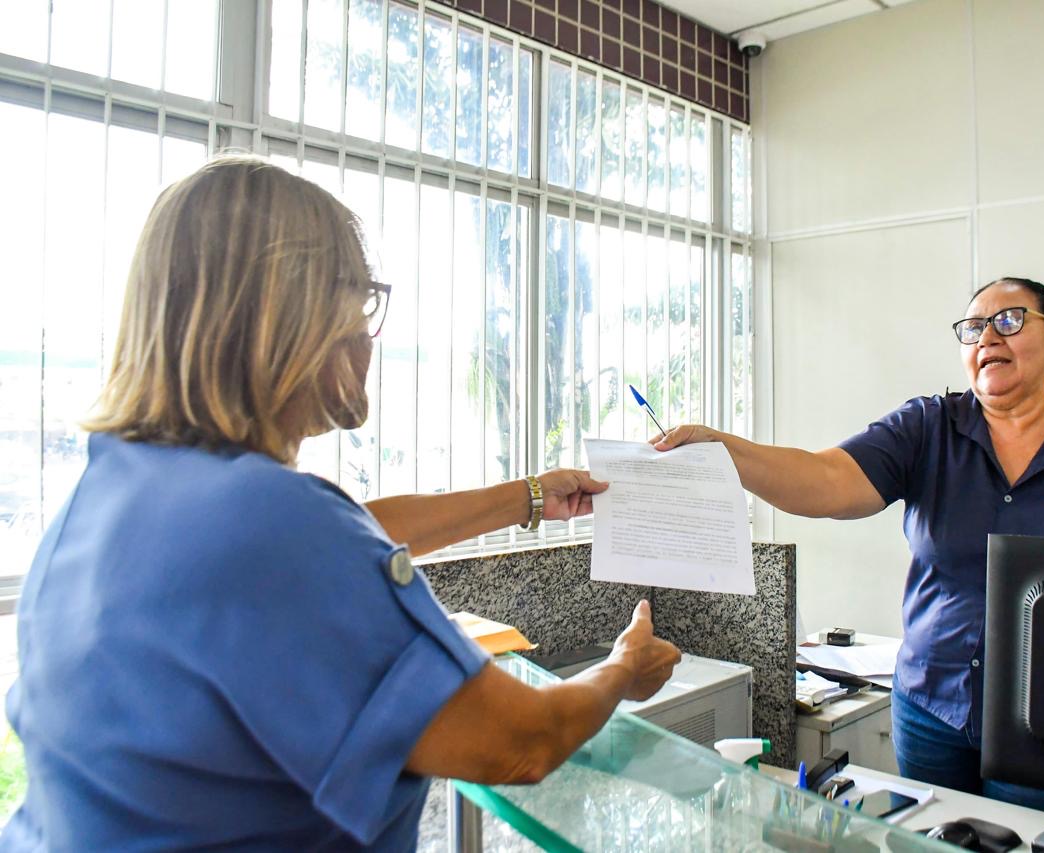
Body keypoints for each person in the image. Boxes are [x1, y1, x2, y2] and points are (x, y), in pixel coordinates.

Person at [1, 156, 681, 851]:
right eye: (360, 304)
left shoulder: (113, 491)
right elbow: (521, 743)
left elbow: (349, 528)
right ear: (288, 317)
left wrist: (529, 496)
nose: (367, 336)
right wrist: (623, 667)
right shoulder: (267, 524)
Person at [654, 276, 1044, 810]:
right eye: (973, 328)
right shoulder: (928, 428)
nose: (988, 338)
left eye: (1010, 321)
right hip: (931, 710)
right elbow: (824, 479)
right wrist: (723, 450)